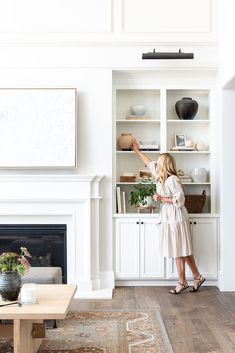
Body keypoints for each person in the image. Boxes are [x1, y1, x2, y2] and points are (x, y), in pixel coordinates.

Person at [132, 139, 206, 294]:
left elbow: (180, 200)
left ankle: (182, 282)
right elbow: (148, 162)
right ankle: (197, 276)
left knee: (179, 250)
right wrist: (137, 151)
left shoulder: (173, 180)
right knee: (183, 250)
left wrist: (161, 199)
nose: (156, 164)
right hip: (168, 217)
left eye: (159, 162)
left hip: (176, 218)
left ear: (164, 165)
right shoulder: (159, 175)